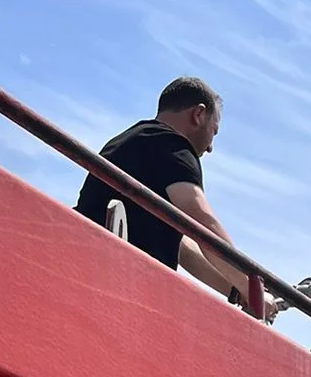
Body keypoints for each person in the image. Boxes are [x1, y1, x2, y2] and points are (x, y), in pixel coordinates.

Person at [75, 77, 275, 313]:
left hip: (84, 268)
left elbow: (182, 245)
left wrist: (235, 289)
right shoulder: (173, 147)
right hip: (116, 288)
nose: (210, 147)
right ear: (198, 114)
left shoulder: (129, 141)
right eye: (214, 131)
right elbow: (203, 222)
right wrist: (251, 285)